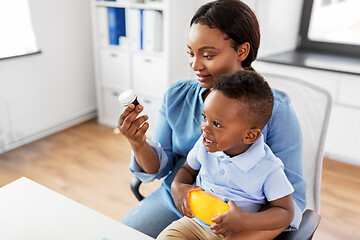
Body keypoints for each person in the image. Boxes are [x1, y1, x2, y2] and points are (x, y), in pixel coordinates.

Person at [118, 0, 306, 238]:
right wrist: (138, 143)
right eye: (191, 53)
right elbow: (161, 167)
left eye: (207, 55)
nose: (195, 65)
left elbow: (292, 204)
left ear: (242, 51)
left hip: (238, 220)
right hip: (179, 202)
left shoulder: (275, 110)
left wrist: (245, 224)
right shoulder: (177, 95)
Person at [157, 70, 295, 240]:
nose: (205, 127)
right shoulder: (204, 144)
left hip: (236, 232)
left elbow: (285, 212)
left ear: (250, 135)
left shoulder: (268, 167)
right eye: (204, 117)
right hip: (195, 224)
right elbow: (188, 169)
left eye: (216, 124)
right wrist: (177, 185)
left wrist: (245, 221)